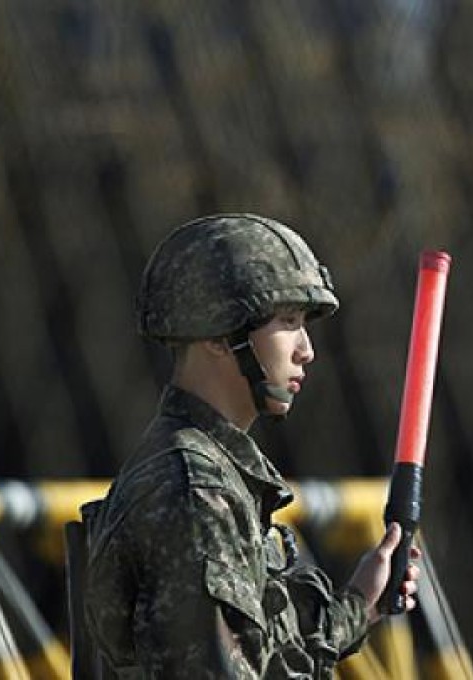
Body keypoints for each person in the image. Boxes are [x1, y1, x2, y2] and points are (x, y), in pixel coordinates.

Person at [82, 213, 418, 678]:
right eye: (288, 320)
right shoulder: (196, 491)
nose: (306, 350)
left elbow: (257, 648)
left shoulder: (212, 474)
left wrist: (360, 606)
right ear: (221, 334)